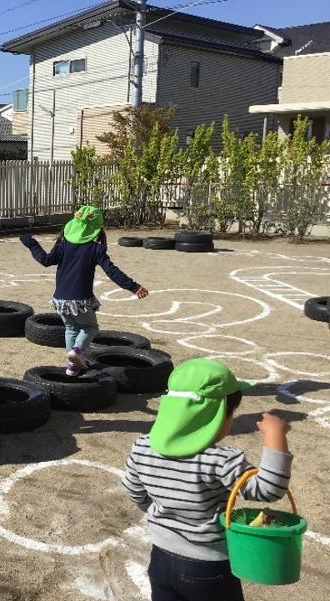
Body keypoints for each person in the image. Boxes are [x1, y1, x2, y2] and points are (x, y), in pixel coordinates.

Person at [122, 358, 293, 601]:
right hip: (209, 567)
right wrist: (275, 435)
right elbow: (269, 489)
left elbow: (133, 490)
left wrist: (164, 512)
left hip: (161, 558)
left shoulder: (142, 446)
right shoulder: (221, 459)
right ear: (217, 416)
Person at [20, 205, 148, 376]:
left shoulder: (63, 245)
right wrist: (133, 286)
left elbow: (45, 259)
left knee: (71, 328)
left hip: (60, 299)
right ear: (96, 230)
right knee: (90, 327)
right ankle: (78, 352)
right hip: (80, 299)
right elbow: (112, 271)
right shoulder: (95, 249)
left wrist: (31, 243)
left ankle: (72, 366)